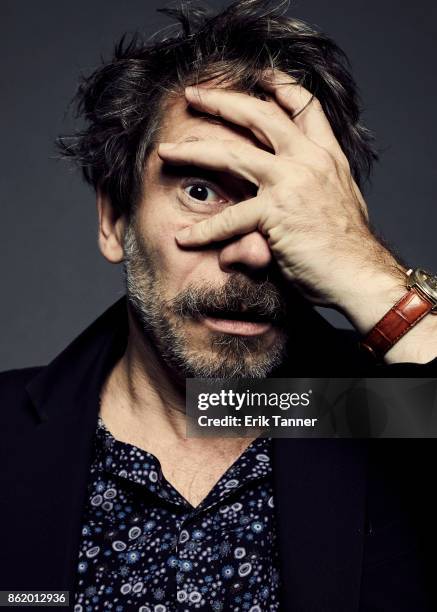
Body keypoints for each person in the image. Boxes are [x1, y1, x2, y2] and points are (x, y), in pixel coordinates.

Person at [1, 1, 437, 610]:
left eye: (284, 203)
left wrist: (373, 277)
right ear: (114, 216)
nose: (252, 251)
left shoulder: (375, 419)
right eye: (200, 190)